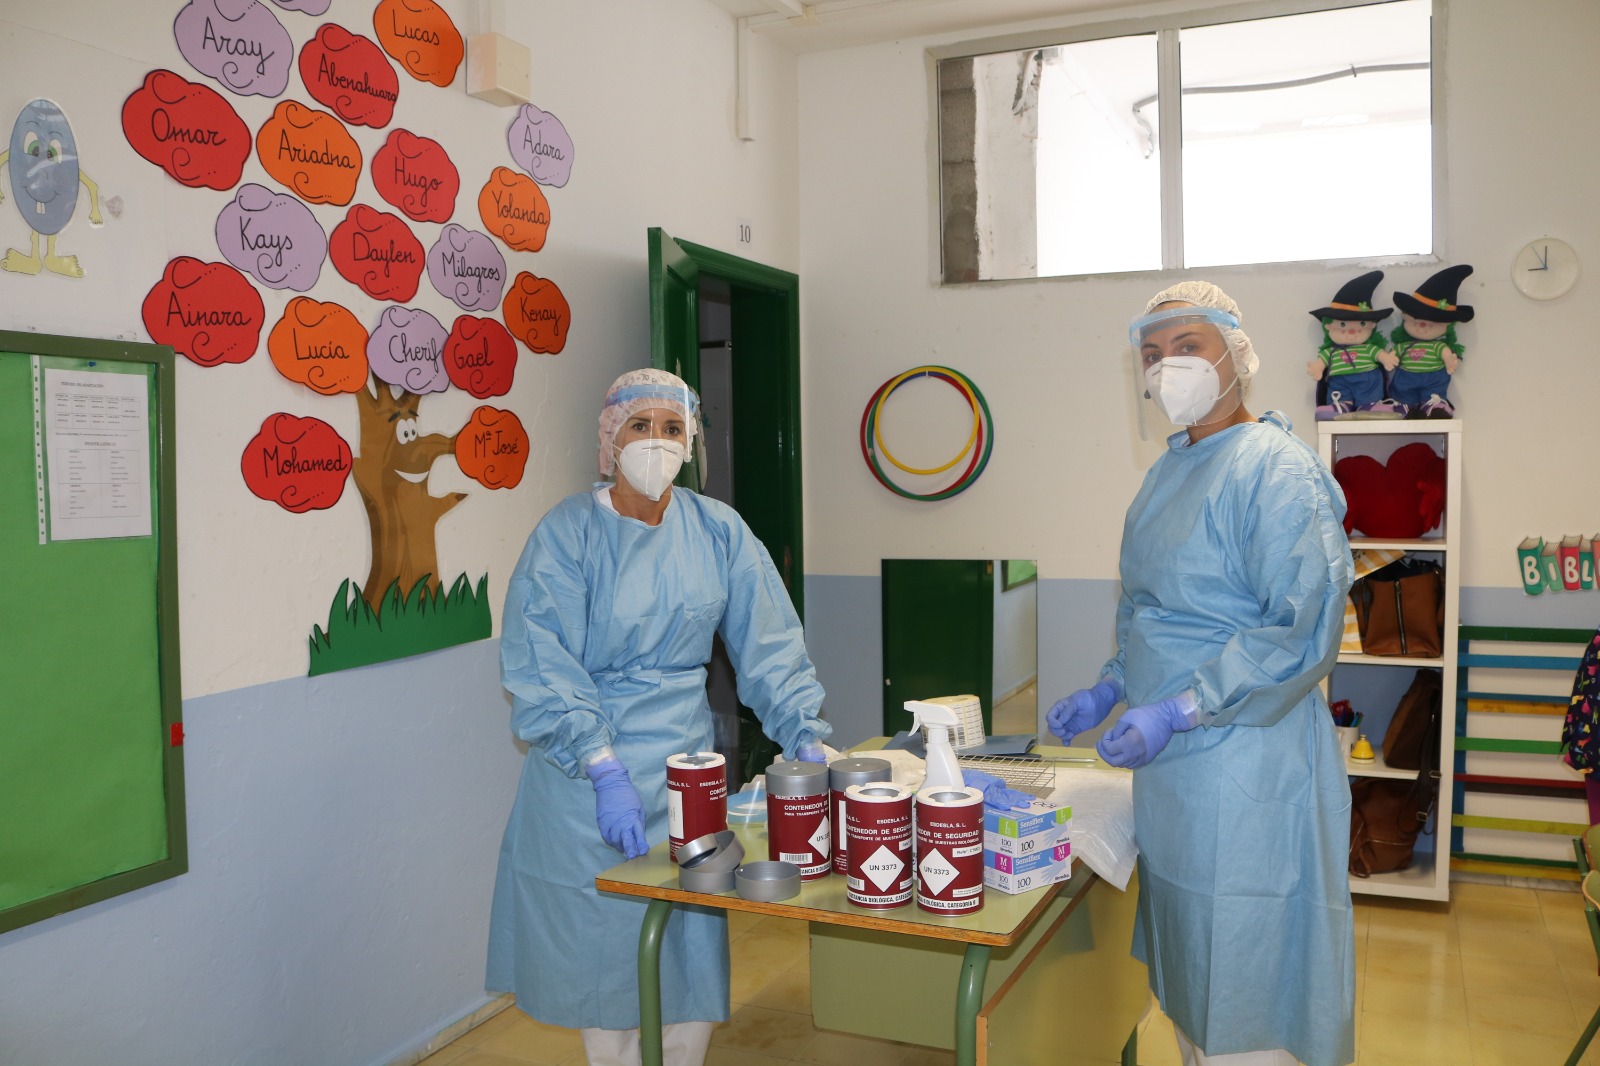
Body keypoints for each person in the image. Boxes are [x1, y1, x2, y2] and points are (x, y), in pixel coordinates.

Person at [1047, 282, 1355, 1066]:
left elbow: (1297, 632)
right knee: (1194, 987)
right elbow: (1149, 611)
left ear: (1235, 352)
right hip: (1177, 775)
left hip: (1248, 762)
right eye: (1151, 357)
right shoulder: (1164, 477)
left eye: (1186, 347)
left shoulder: (1277, 472)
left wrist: (1182, 707)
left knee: (1250, 992)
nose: (1166, 369)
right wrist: (1113, 688)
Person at [486, 368, 831, 1066]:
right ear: (609, 441)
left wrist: (805, 732)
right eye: (640, 426)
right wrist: (598, 761)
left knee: (684, 949)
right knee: (604, 955)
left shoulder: (717, 531)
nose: (656, 441)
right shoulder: (567, 535)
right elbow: (542, 657)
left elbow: (767, 640)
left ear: (692, 442)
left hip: (686, 776)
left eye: (672, 428)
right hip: (590, 779)